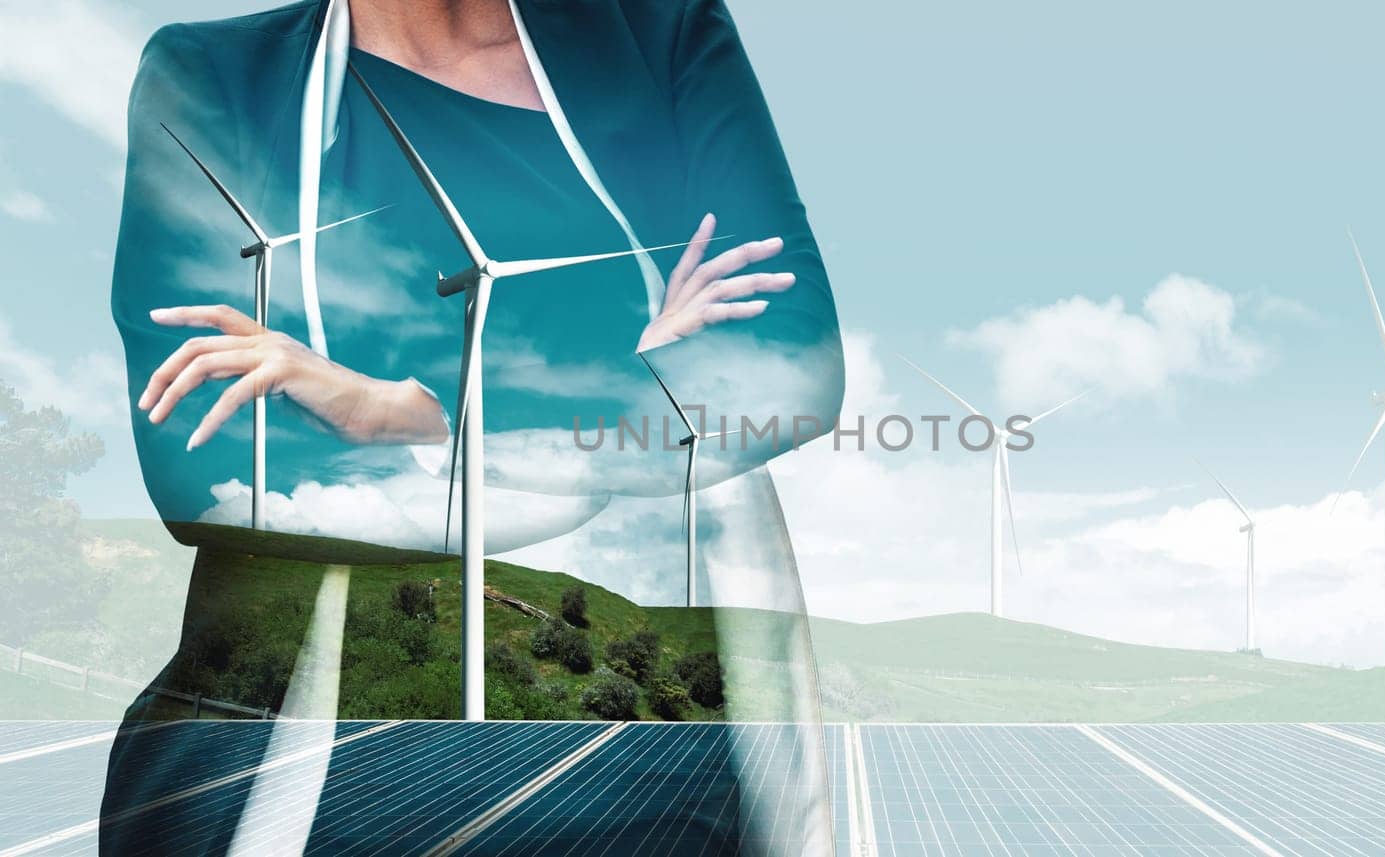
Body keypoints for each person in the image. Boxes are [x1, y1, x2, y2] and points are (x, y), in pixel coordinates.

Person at [102, 0, 844, 853]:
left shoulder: (659, 35)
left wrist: (402, 411)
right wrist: (638, 375)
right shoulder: (214, 80)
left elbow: (789, 366)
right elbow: (215, 469)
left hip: (651, 779)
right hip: (296, 780)